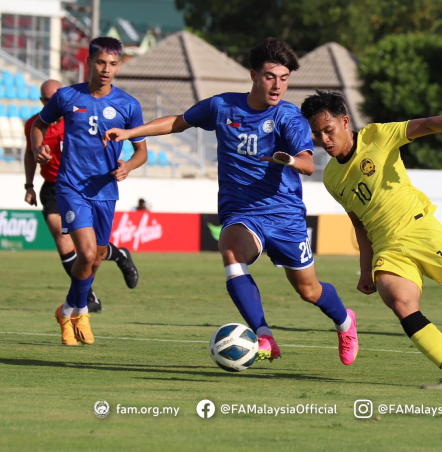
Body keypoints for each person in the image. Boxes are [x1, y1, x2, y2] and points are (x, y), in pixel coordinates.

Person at [102, 38, 359, 365]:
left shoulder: (289, 117)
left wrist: (290, 161)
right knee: (231, 250)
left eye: (284, 78)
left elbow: (308, 162)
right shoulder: (222, 106)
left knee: (309, 291)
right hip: (242, 213)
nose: (278, 85)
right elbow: (179, 121)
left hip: (285, 216)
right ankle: (263, 334)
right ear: (253, 75)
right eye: (270, 76)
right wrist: (129, 132)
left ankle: (345, 322)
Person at [301, 91, 442, 390]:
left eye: (328, 130)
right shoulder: (332, 178)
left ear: (344, 121)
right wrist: (366, 270)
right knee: (399, 300)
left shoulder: (377, 136)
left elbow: (426, 125)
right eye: (317, 133)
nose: (324, 139)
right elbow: (359, 225)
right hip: (388, 249)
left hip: (421, 230)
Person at [31, 37, 147, 346]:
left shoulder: (128, 105)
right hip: (72, 186)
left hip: (106, 190)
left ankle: (66, 309)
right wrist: (38, 146)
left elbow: (141, 152)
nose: (106, 69)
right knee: (84, 252)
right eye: (100, 62)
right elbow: (38, 126)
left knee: (94, 258)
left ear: (119, 65)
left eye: (113, 64)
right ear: (89, 62)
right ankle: (81, 310)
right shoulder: (68, 96)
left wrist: (128, 167)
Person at [24, 79, 138, 314]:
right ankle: (85, 297)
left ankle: (117, 255)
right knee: (64, 241)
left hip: (92, 186)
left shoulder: (76, 114)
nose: (52, 102)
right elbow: (29, 153)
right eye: (47, 99)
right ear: (43, 102)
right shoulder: (36, 124)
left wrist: (123, 164)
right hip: (58, 187)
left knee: (93, 253)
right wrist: (29, 185)